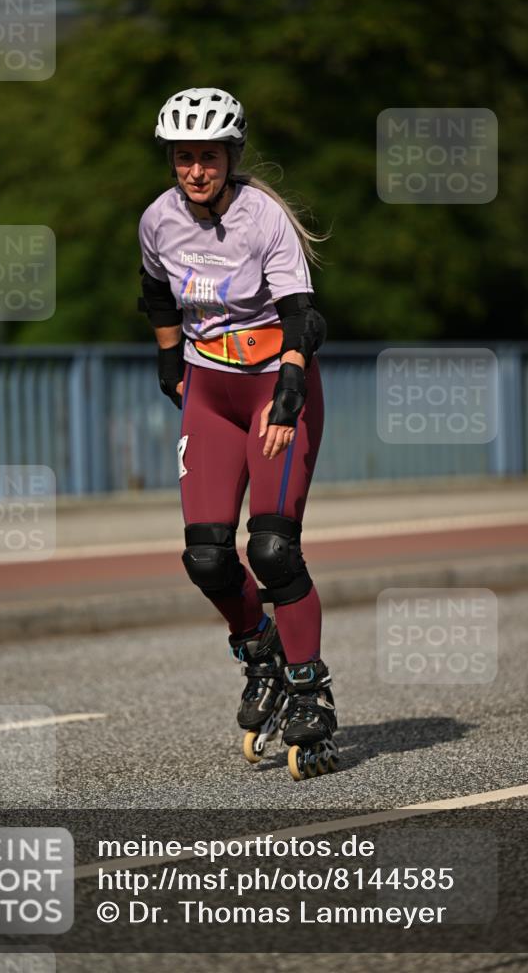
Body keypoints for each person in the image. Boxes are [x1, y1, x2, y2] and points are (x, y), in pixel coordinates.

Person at [138, 87, 338, 780]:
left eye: (209, 157)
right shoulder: (158, 219)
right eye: (184, 158)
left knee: (274, 547)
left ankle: (310, 689)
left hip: (272, 387)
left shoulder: (263, 218)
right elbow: (157, 293)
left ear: (232, 156)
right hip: (208, 390)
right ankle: (261, 656)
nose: (196, 170)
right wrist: (171, 362)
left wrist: (286, 395)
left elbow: (302, 317)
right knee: (207, 559)